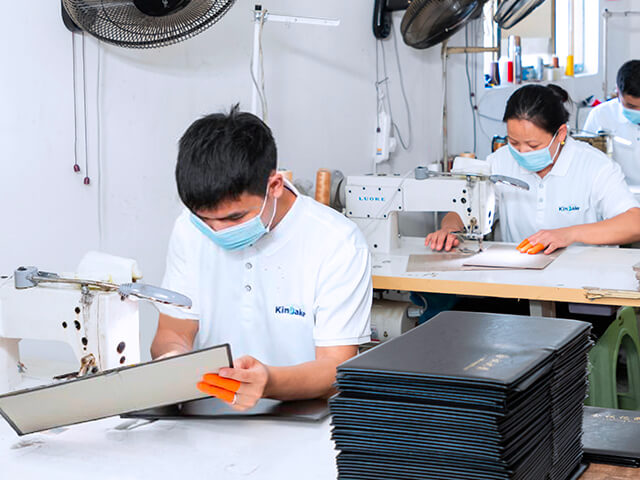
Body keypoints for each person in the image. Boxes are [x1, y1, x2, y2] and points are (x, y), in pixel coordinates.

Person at [151, 105, 372, 410]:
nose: (217, 230)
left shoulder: (337, 242)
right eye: (205, 219)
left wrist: (269, 382)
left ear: (275, 186)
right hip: (203, 420)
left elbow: (335, 367)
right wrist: (173, 360)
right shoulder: (188, 230)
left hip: (297, 420)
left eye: (235, 217)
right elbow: (173, 330)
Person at [426, 84, 640, 254]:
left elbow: (634, 223)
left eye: (533, 145)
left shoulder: (595, 166)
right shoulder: (499, 161)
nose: (522, 152)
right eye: (514, 142)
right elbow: (464, 210)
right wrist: (449, 230)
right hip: (519, 280)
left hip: (581, 285)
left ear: (561, 134)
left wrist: (569, 235)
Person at [584, 60, 640, 186]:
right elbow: (586, 162)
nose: (638, 111)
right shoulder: (600, 115)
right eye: (631, 106)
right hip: (618, 195)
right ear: (618, 92)